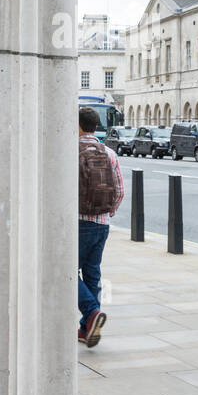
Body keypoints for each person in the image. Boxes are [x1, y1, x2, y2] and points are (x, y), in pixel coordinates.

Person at [78, 106, 123, 347]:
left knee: (66, 273)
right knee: (92, 275)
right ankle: (87, 328)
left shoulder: (73, 151)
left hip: (78, 222)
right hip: (102, 224)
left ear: (78, 126)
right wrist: (107, 213)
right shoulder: (109, 153)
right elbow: (120, 190)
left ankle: (92, 312)